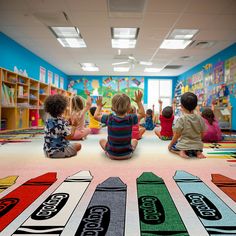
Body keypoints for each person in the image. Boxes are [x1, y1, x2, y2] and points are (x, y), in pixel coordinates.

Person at [94, 91, 144, 160]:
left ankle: (110, 151)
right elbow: (142, 114)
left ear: (112, 108)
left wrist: (99, 106)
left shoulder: (109, 118)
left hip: (111, 154)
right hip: (127, 154)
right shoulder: (130, 118)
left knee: (102, 141)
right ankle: (129, 150)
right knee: (135, 140)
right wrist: (139, 102)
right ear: (129, 108)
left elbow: (96, 116)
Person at [168, 92, 206, 158]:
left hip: (184, 145)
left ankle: (181, 152)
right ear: (195, 106)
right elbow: (202, 133)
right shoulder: (200, 118)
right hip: (197, 145)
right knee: (197, 147)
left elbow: (177, 134)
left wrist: (171, 144)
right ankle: (198, 152)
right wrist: (198, 141)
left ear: (182, 106)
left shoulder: (181, 119)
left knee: (172, 148)